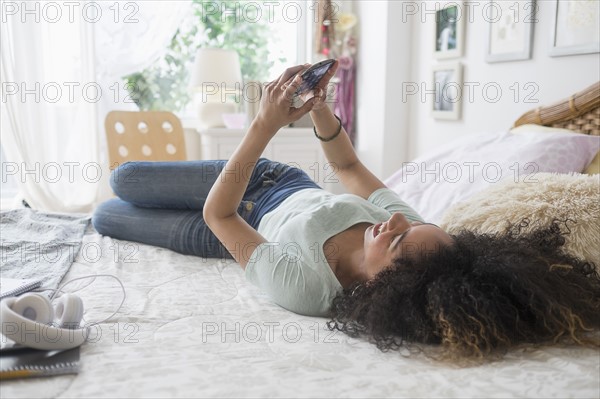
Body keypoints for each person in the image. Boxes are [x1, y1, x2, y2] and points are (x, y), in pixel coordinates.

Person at [93, 61, 599, 360]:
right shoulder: (412, 226)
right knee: (125, 177)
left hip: (227, 217)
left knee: (106, 216)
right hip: (275, 181)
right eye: (410, 223)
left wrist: (264, 124)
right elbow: (351, 165)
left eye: (396, 241)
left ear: (385, 285)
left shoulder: (310, 289)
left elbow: (221, 218)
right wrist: (320, 113)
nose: (395, 222)